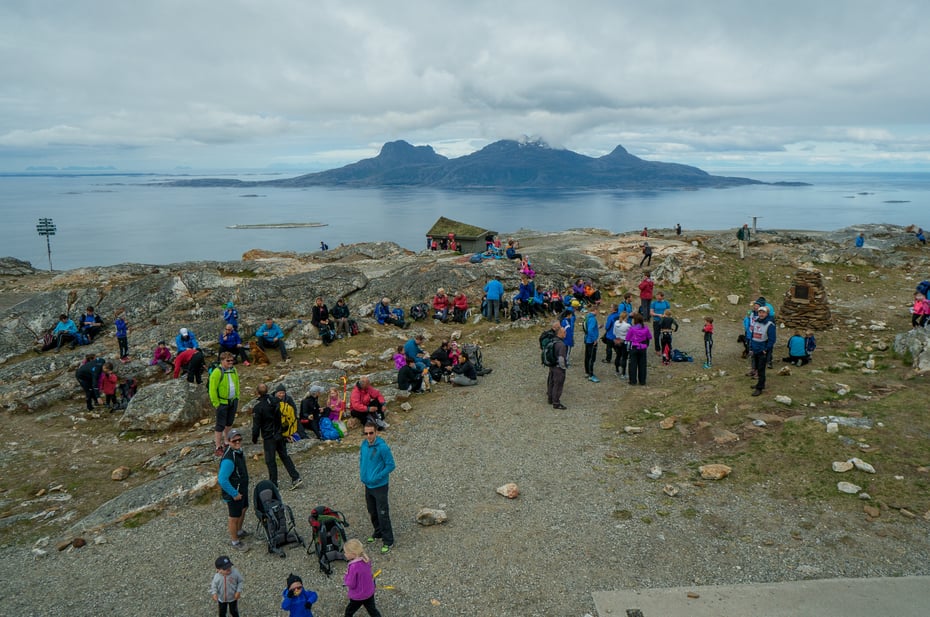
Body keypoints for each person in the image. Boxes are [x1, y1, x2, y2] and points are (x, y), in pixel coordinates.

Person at [251, 383, 302, 489]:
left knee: (270, 461)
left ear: (257, 393)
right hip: (279, 434)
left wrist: (254, 438)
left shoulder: (258, 407)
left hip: (269, 437)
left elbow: (256, 426)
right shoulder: (276, 402)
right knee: (284, 456)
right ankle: (295, 477)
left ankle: (274, 484)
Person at [359, 423, 396, 554]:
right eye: (366, 433)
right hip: (368, 485)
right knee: (372, 511)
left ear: (376, 433)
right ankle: (378, 532)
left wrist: (377, 477)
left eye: (371, 433)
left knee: (382, 513)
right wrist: (363, 475)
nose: (368, 436)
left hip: (379, 486)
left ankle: (388, 540)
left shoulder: (382, 447)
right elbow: (362, 460)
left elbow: (391, 465)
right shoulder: (363, 445)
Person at [217, 428, 250, 552]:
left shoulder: (238, 452)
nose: (237, 442)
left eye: (239, 439)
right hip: (234, 492)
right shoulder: (229, 459)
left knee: (244, 508)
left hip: (241, 488)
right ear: (229, 441)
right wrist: (234, 493)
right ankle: (235, 541)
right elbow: (222, 479)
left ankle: (239, 531)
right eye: (234, 440)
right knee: (233, 516)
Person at [210, 352, 241, 457]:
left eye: (232, 360)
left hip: (232, 401)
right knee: (220, 425)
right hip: (222, 403)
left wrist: (237, 396)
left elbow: (236, 383)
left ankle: (226, 441)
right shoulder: (217, 372)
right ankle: (218, 446)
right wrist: (216, 404)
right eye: (228, 361)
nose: (231, 362)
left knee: (229, 422)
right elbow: (212, 390)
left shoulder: (234, 370)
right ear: (222, 361)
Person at [343, 539, 383, 616]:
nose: (344, 554)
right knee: (372, 610)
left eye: (346, 552)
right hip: (369, 591)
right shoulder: (366, 559)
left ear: (353, 554)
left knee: (349, 611)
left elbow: (351, 583)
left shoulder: (353, 567)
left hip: (358, 595)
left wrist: (346, 576)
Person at [749, 306, 776, 396]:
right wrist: (751, 347)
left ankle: (759, 388)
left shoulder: (770, 324)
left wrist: (766, 349)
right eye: (760, 312)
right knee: (756, 367)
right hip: (755, 348)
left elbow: (772, 339)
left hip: (762, 350)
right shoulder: (756, 322)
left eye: (763, 312)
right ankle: (760, 384)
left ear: (767, 314)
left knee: (761, 369)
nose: (761, 314)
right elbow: (753, 334)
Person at [625, 312, 652, 386]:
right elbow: (649, 337)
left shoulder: (632, 328)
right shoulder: (646, 328)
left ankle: (633, 381)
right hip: (643, 348)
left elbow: (627, 338)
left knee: (632, 365)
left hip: (634, 347)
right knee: (642, 365)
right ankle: (642, 381)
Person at [546, 322, 568, 409]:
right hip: (558, 368)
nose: (565, 334)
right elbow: (561, 359)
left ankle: (550, 398)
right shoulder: (562, 345)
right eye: (564, 332)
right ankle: (556, 403)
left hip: (552, 365)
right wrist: (563, 368)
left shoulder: (553, 340)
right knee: (558, 385)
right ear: (560, 333)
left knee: (551, 383)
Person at [583, 308, 600, 383]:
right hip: (591, 341)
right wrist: (594, 339)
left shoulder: (587, 317)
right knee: (591, 358)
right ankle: (591, 375)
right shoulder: (593, 319)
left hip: (587, 339)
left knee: (587, 357)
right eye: (597, 310)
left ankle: (587, 372)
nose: (598, 312)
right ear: (595, 310)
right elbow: (590, 330)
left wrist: (597, 327)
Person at [612, 311, 631, 378]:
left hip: (617, 340)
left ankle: (617, 371)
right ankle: (623, 373)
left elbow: (614, 332)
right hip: (624, 341)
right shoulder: (627, 325)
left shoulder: (616, 323)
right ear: (626, 317)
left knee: (618, 356)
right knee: (624, 357)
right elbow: (630, 334)